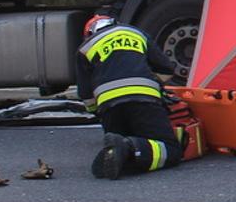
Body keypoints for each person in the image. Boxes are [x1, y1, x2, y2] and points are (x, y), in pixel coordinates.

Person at [77, 11, 183, 179]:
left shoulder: (85, 48)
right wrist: (153, 84)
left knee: (119, 142)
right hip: (144, 100)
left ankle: (122, 150)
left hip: (110, 108)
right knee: (171, 150)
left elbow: (85, 94)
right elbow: (166, 69)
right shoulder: (136, 34)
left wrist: (97, 112)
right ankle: (130, 147)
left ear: (89, 33)